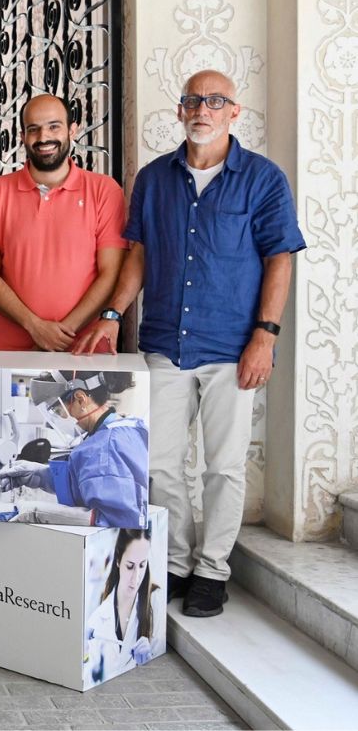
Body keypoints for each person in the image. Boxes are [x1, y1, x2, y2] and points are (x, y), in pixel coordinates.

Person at [73, 69, 306, 617]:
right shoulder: (154, 179)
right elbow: (139, 256)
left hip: (233, 346)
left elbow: (280, 258)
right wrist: (112, 314)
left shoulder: (263, 180)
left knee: (224, 466)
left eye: (215, 101)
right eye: (193, 101)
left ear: (233, 112)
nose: (203, 109)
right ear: (180, 112)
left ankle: (212, 570)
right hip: (165, 343)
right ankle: (176, 561)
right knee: (160, 464)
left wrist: (265, 337)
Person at [0, 94, 127, 353]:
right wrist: (35, 326)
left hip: (86, 349)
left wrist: (60, 334)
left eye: (54, 126)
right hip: (11, 350)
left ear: (72, 130)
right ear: (22, 136)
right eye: (34, 129)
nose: (44, 137)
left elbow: (111, 273)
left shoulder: (105, 191)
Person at [0, 371, 149, 527]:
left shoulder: (104, 447)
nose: (61, 417)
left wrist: (36, 513)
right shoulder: (124, 427)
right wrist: (39, 475)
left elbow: (115, 522)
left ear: (80, 399)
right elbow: (89, 481)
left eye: (58, 410)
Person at [83, 528, 164, 685]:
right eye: (130, 566)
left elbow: (160, 666)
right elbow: (90, 676)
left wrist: (150, 658)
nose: (136, 577)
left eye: (142, 565)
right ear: (118, 560)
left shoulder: (155, 600)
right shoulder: (98, 613)